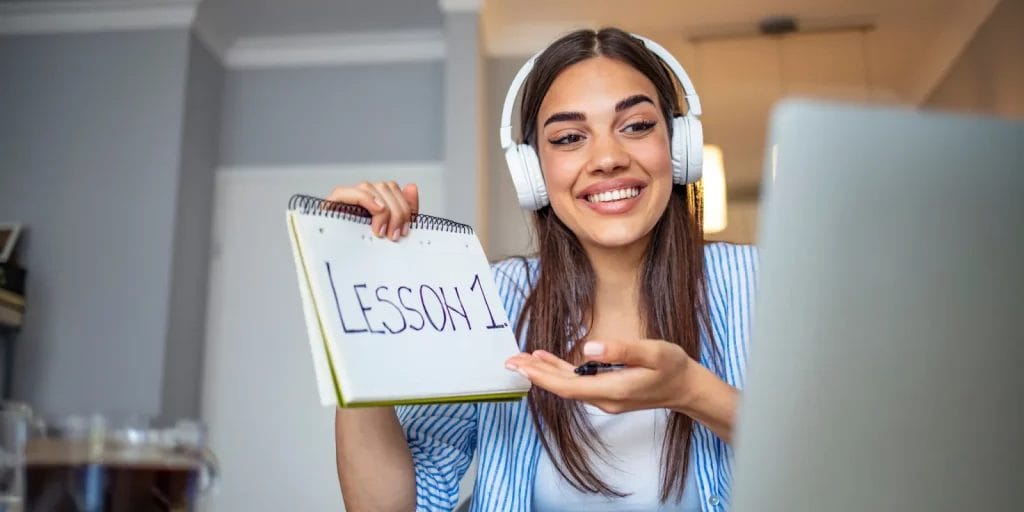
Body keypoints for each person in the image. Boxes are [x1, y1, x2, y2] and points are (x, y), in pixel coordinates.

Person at [324, 27, 758, 512]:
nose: (609, 159)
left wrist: (693, 392)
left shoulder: (761, 285)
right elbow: (392, 507)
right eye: (570, 138)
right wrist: (354, 307)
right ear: (533, 172)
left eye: (636, 126)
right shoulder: (491, 298)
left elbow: (847, 462)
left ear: (680, 146)